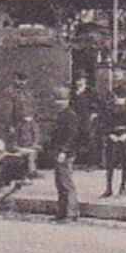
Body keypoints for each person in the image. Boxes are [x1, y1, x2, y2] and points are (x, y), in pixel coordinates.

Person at [45, 86, 82, 223]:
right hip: (59, 152)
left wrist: (64, 151)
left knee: (66, 182)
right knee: (59, 182)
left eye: (62, 100)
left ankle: (71, 213)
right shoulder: (61, 115)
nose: (58, 103)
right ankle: (62, 212)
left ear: (67, 101)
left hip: (65, 153)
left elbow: (71, 136)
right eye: (57, 100)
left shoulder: (70, 115)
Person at [101, 85, 126, 198]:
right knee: (109, 163)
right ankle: (108, 188)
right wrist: (110, 134)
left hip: (125, 138)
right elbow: (103, 124)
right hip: (112, 138)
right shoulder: (109, 109)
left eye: (122, 97)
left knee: (125, 162)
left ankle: (123, 187)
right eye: (117, 97)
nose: (119, 99)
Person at [6, 72, 40, 176]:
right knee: (16, 146)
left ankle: (31, 170)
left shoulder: (27, 93)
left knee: (30, 144)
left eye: (24, 81)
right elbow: (9, 110)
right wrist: (10, 124)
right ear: (15, 80)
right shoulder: (11, 92)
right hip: (17, 122)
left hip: (28, 121)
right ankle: (17, 172)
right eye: (20, 80)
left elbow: (32, 107)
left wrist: (32, 117)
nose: (22, 83)